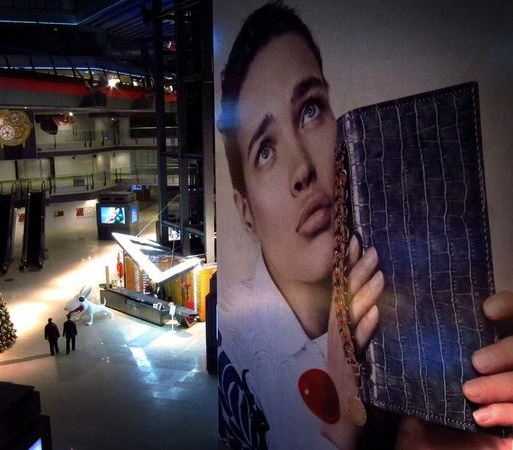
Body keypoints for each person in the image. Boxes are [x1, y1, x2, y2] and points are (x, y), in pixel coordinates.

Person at [217, 2, 513, 449]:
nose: (302, 169)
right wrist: (340, 435)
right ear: (244, 212)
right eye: (265, 150)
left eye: (311, 110)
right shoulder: (232, 350)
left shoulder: (422, 287)